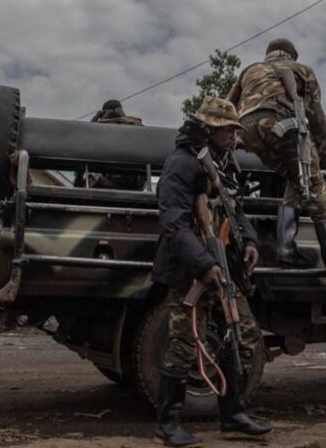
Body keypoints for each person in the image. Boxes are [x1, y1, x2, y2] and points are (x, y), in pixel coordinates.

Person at [152, 97, 271, 446]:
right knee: (184, 344)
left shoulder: (223, 164)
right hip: (190, 270)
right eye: (230, 130)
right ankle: (168, 425)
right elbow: (173, 222)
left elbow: (237, 209)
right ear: (211, 128)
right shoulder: (181, 164)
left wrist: (249, 241)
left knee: (244, 336)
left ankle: (233, 416)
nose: (235, 136)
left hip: (226, 267)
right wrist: (204, 265)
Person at [227, 38, 326, 266]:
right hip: (281, 125)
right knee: (316, 186)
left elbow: (228, 104)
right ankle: (290, 249)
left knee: (295, 178)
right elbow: (316, 115)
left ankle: (285, 249)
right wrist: (321, 149)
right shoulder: (301, 70)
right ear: (291, 55)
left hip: (248, 131)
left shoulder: (249, 71)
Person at [75, 99, 145, 189]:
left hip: (108, 183)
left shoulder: (101, 129)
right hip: (134, 185)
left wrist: (98, 118)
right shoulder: (138, 127)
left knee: (81, 182)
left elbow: (85, 141)